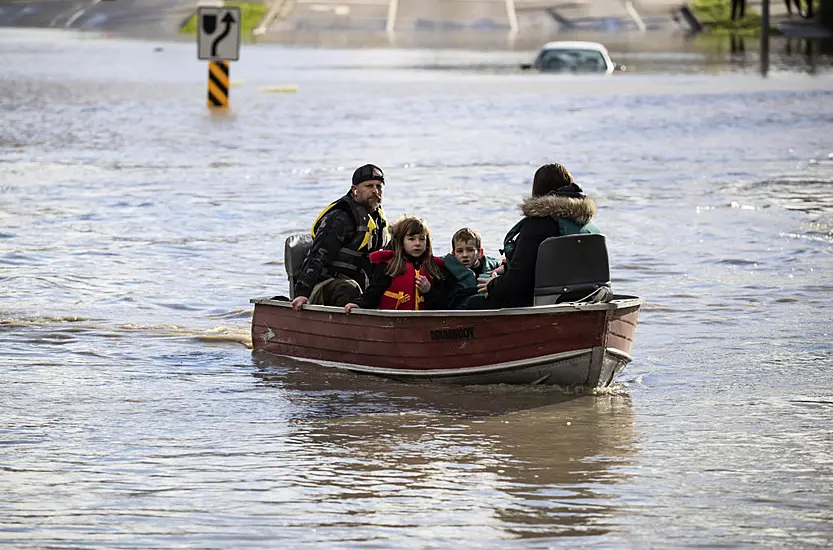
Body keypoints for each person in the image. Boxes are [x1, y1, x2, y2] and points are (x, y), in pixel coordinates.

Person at [464, 163, 600, 309]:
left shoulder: (537, 226)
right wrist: (506, 267)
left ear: (537, 191)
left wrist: (493, 284)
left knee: (469, 301)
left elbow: (518, 281)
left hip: (541, 302)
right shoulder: (588, 227)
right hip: (586, 297)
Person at [290, 164, 389, 311]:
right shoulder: (340, 218)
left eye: (379, 186)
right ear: (355, 189)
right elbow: (317, 256)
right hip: (324, 285)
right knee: (348, 288)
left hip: (361, 287)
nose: (375, 191)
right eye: (369, 186)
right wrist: (303, 293)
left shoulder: (378, 220)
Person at [344, 216, 448, 312]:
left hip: (423, 323)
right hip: (393, 321)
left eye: (422, 239)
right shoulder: (389, 266)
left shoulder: (434, 268)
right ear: (401, 242)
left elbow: (443, 305)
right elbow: (373, 293)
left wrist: (429, 291)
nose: (417, 243)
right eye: (411, 239)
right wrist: (358, 304)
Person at [442, 227, 503, 309]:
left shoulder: (494, 267)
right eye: (460, 251)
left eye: (470, 250)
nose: (464, 255)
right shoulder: (447, 270)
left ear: (480, 253)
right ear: (453, 253)